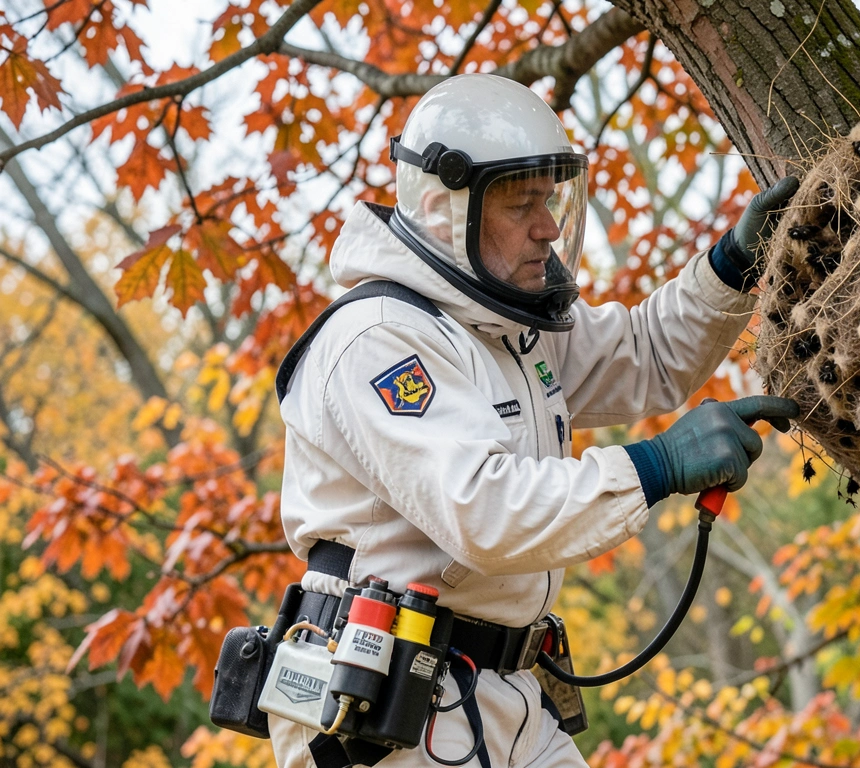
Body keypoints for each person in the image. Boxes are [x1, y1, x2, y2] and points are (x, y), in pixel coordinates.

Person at [271, 73, 798, 768]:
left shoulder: (503, 321)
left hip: (502, 689)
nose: (548, 226)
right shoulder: (378, 338)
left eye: (549, 200)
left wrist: (732, 265)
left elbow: (647, 356)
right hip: (383, 705)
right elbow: (483, 510)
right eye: (523, 205)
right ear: (440, 210)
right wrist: (656, 467)